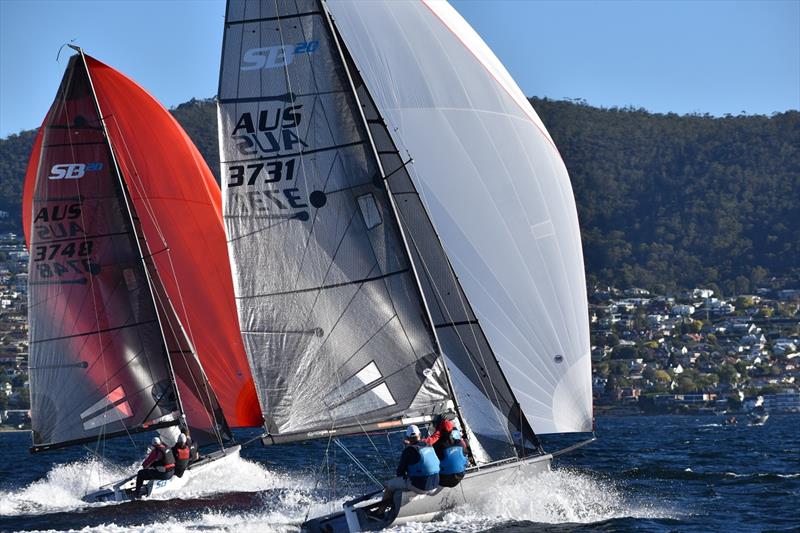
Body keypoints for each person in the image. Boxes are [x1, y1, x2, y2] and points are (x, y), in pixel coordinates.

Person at [376, 425, 440, 515]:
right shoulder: (429, 445)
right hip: (435, 484)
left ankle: (380, 512)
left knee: (389, 485)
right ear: (420, 434)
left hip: (421, 487)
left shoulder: (408, 450)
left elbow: (400, 472)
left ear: (407, 438)